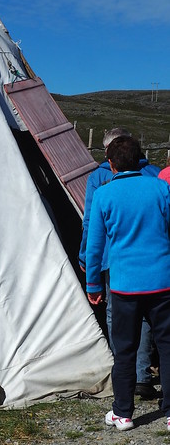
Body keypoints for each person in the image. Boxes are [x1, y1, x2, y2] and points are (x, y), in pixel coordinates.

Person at [86, 136, 170, 431]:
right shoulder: (161, 188)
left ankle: (123, 412)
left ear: (110, 164)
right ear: (141, 160)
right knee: (168, 346)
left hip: (124, 287)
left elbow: (95, 247)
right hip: (163, 282)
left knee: (124, 350)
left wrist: (93, 285)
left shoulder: (104, 195)